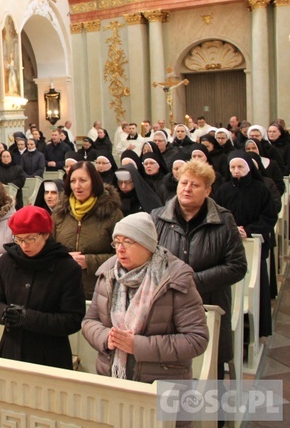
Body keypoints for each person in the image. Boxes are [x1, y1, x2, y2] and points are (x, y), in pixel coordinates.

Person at [82, 213, 208, 382]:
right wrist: (106, 337)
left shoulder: (175, 279)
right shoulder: (108, 274)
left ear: (147, 245)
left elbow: (196, 339)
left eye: (128, 242)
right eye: (117, 242)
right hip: (111, 378)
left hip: (162, 383)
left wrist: (137, 345)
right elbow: (89, 321)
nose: (120, 249)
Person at [151, 160, 247, 379]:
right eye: (183, 183)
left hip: (209, 303)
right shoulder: (157, 217)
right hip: (167, 303)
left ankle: (214, 412)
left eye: (195, 185)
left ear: (208, 190)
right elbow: (147, 259)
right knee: (170, 365)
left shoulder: (223, 220)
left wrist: (192, 280)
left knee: (210, 368)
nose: (187, 188)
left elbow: (237, 266)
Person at [0, 206, 85, 368]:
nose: (24, 245)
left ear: (46, 234)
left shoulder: (67, 268)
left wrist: (27, 318)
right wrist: (4, 313)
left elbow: (73, 319)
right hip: (11, 350)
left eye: (30, 238)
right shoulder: (7, 261)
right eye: (18, 239)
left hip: (49, 356)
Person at [214, 151, 276, 337]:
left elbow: (269, 217)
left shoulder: (261, 189)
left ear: (249, 168)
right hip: (228, 243)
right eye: (233, 167)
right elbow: (216, 214)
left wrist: (248, 230)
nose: (236, 171)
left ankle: (258, 330)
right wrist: (231, 229)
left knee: (256, 284)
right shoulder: (223, 190)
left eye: (240, 167)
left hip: (254, 242)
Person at [53, 161, 123, 298]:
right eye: (73, 181)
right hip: (63, 288)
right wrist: (63, 258)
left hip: (99, 290)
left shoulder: (112, 213)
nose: (77, 186)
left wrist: (89, 261)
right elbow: (47, 249)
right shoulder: (59, 213)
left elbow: (122, 255)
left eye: (83, 180)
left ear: (94, 182)